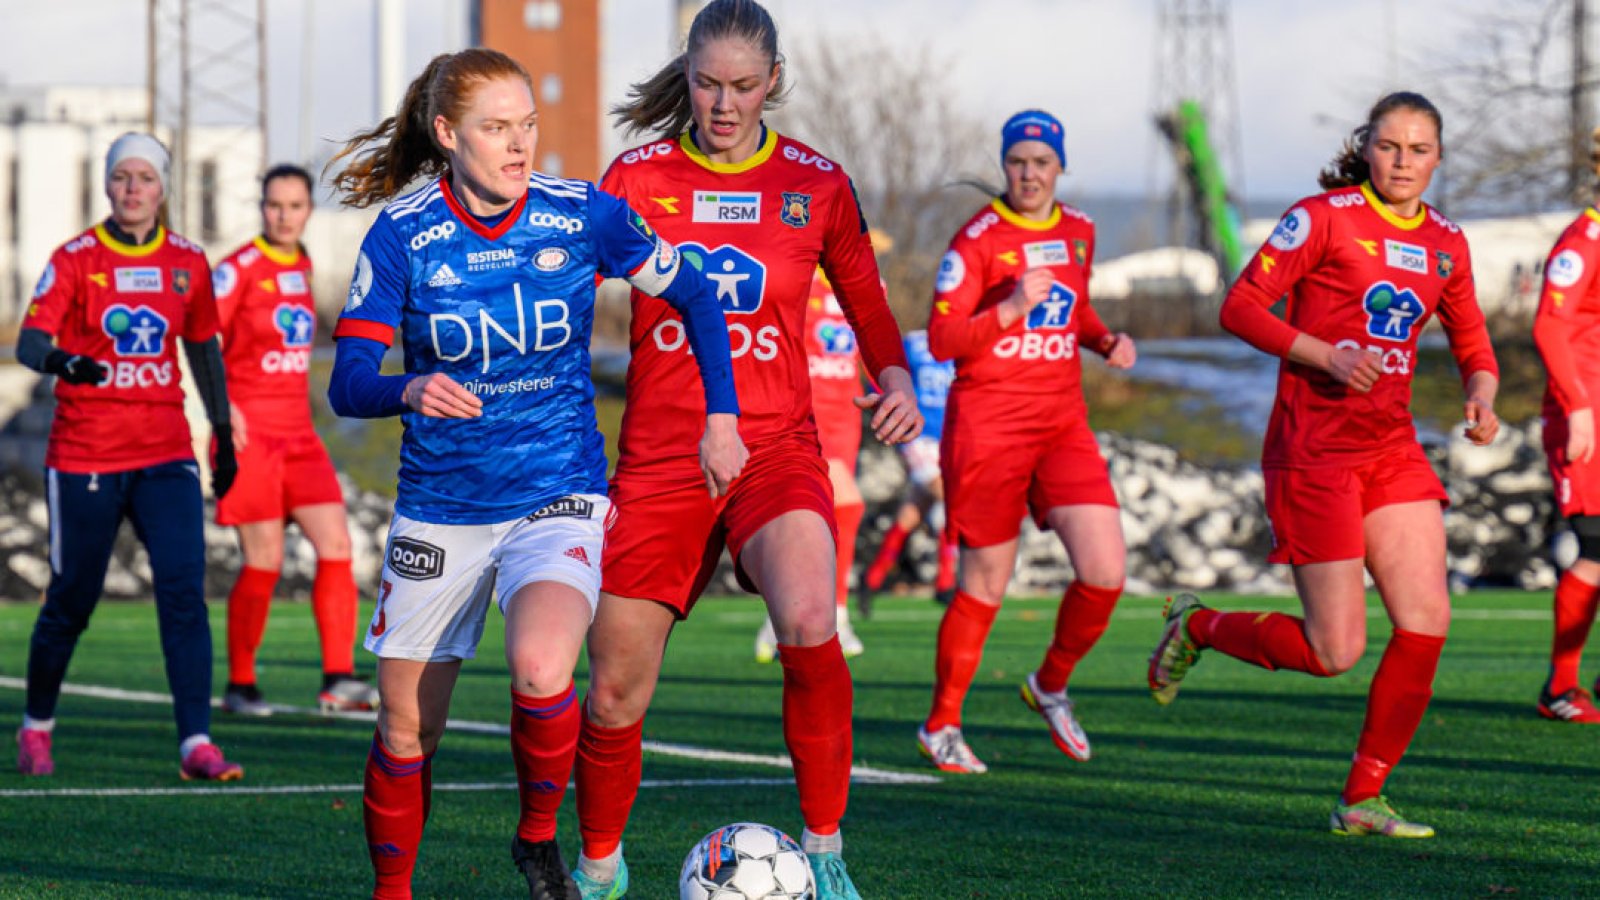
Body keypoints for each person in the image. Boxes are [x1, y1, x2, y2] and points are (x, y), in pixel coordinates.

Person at [324, 48, 742, 900]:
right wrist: (409, 388)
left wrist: (722, 418)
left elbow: (698, 295)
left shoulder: (582, 214)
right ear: (448, 134)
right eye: (496, 128)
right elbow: (348, 382)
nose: (520, 145)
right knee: (405, 730)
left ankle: (538, 840)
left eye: (528, 125)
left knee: (544, 669)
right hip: (441, 507)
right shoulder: (403, 232)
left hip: (558, 493)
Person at [571, 2, 920, 897]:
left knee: (809, 621)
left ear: (775, 82)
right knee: (613, 692)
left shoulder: (818, 184)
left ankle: (826, 853)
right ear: (685, 76)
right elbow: (566, 288)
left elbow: (868, 302)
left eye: (742, 86)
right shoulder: (637, 178)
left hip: (776, 449)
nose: (723, 104)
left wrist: (897, 378)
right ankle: (600, 866)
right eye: (706, 84)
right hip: (662, 460)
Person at [1149, 91, 1501, 838]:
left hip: (1393, 451)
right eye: (1390, 146)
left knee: (1427, 621)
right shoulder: (1322, 218)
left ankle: (1361, 799)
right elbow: (1241, 307)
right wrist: (1325, 355)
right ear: (1367, 147)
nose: (1403, 162)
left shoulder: (1446, 241)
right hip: (1313, 453)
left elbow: (1473, 339)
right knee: (1333, 650)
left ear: (1438, 157)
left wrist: (1482, 393)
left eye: (1419, 150)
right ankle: (1198, 626)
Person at [13, 132, 244, 781]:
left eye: (145, 177)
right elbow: (30, 342)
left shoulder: (188, 262)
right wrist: (66, 362)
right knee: (73, 598)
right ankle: (36, 727)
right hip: (86, 451)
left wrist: (222, 432)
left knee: (184, 590)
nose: (133, 188)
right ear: (107, 185)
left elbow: (203, 349)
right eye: (122, 177)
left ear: (163, 187)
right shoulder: (76, 258)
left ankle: (196, 743)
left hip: (165, 450)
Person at [918, 110, 1135, 774]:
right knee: (986, 581)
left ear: (1059, 167)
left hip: (1062, 424)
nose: (1029, 174)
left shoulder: (1079, 231)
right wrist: (1009, 309)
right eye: (1018, 161)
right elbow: (942, 339)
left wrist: (1104, 340)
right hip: (988, 427)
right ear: (1005, 165)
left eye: (1042, 162)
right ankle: (942, 724)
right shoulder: (977, 241)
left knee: (1105, 570)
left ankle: (1049, 685)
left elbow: (1076, 306)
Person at [213, 163, 378, 717]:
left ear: (309, 210)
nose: (284, 216)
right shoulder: (238, 269)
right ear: (262, 207)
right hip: (249, 437)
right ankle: (240, 685)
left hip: (298, 435)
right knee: (264, 558)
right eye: (274, 205)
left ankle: (337, 680)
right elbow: (199, 339)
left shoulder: (302, 263)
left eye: (295, 206)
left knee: (336, 545)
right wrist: (223, 409)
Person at [753, 234, 890, 662]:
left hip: (846, 415)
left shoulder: (867, 283)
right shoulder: (795, 274)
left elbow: (871, 341)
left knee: (822, 514)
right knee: (845, 506)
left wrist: (887, 387)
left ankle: (781, 616)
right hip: (801, 409)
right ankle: (836, 614)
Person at [1529, 126, 1600, 724]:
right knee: (1597, 546)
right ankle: (1560, 688)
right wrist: (1578, 406)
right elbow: (1550, 326)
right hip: (1587, 417)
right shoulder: (1586, 238)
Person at [856, 328, 958, 616]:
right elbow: (883, 376)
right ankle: (946, 582)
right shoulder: (914, 344)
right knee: (952, 499)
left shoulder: (959, 345)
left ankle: (871, 579)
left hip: (948, 439)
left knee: (912, 513)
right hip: (918, 438)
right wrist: (886, 408)